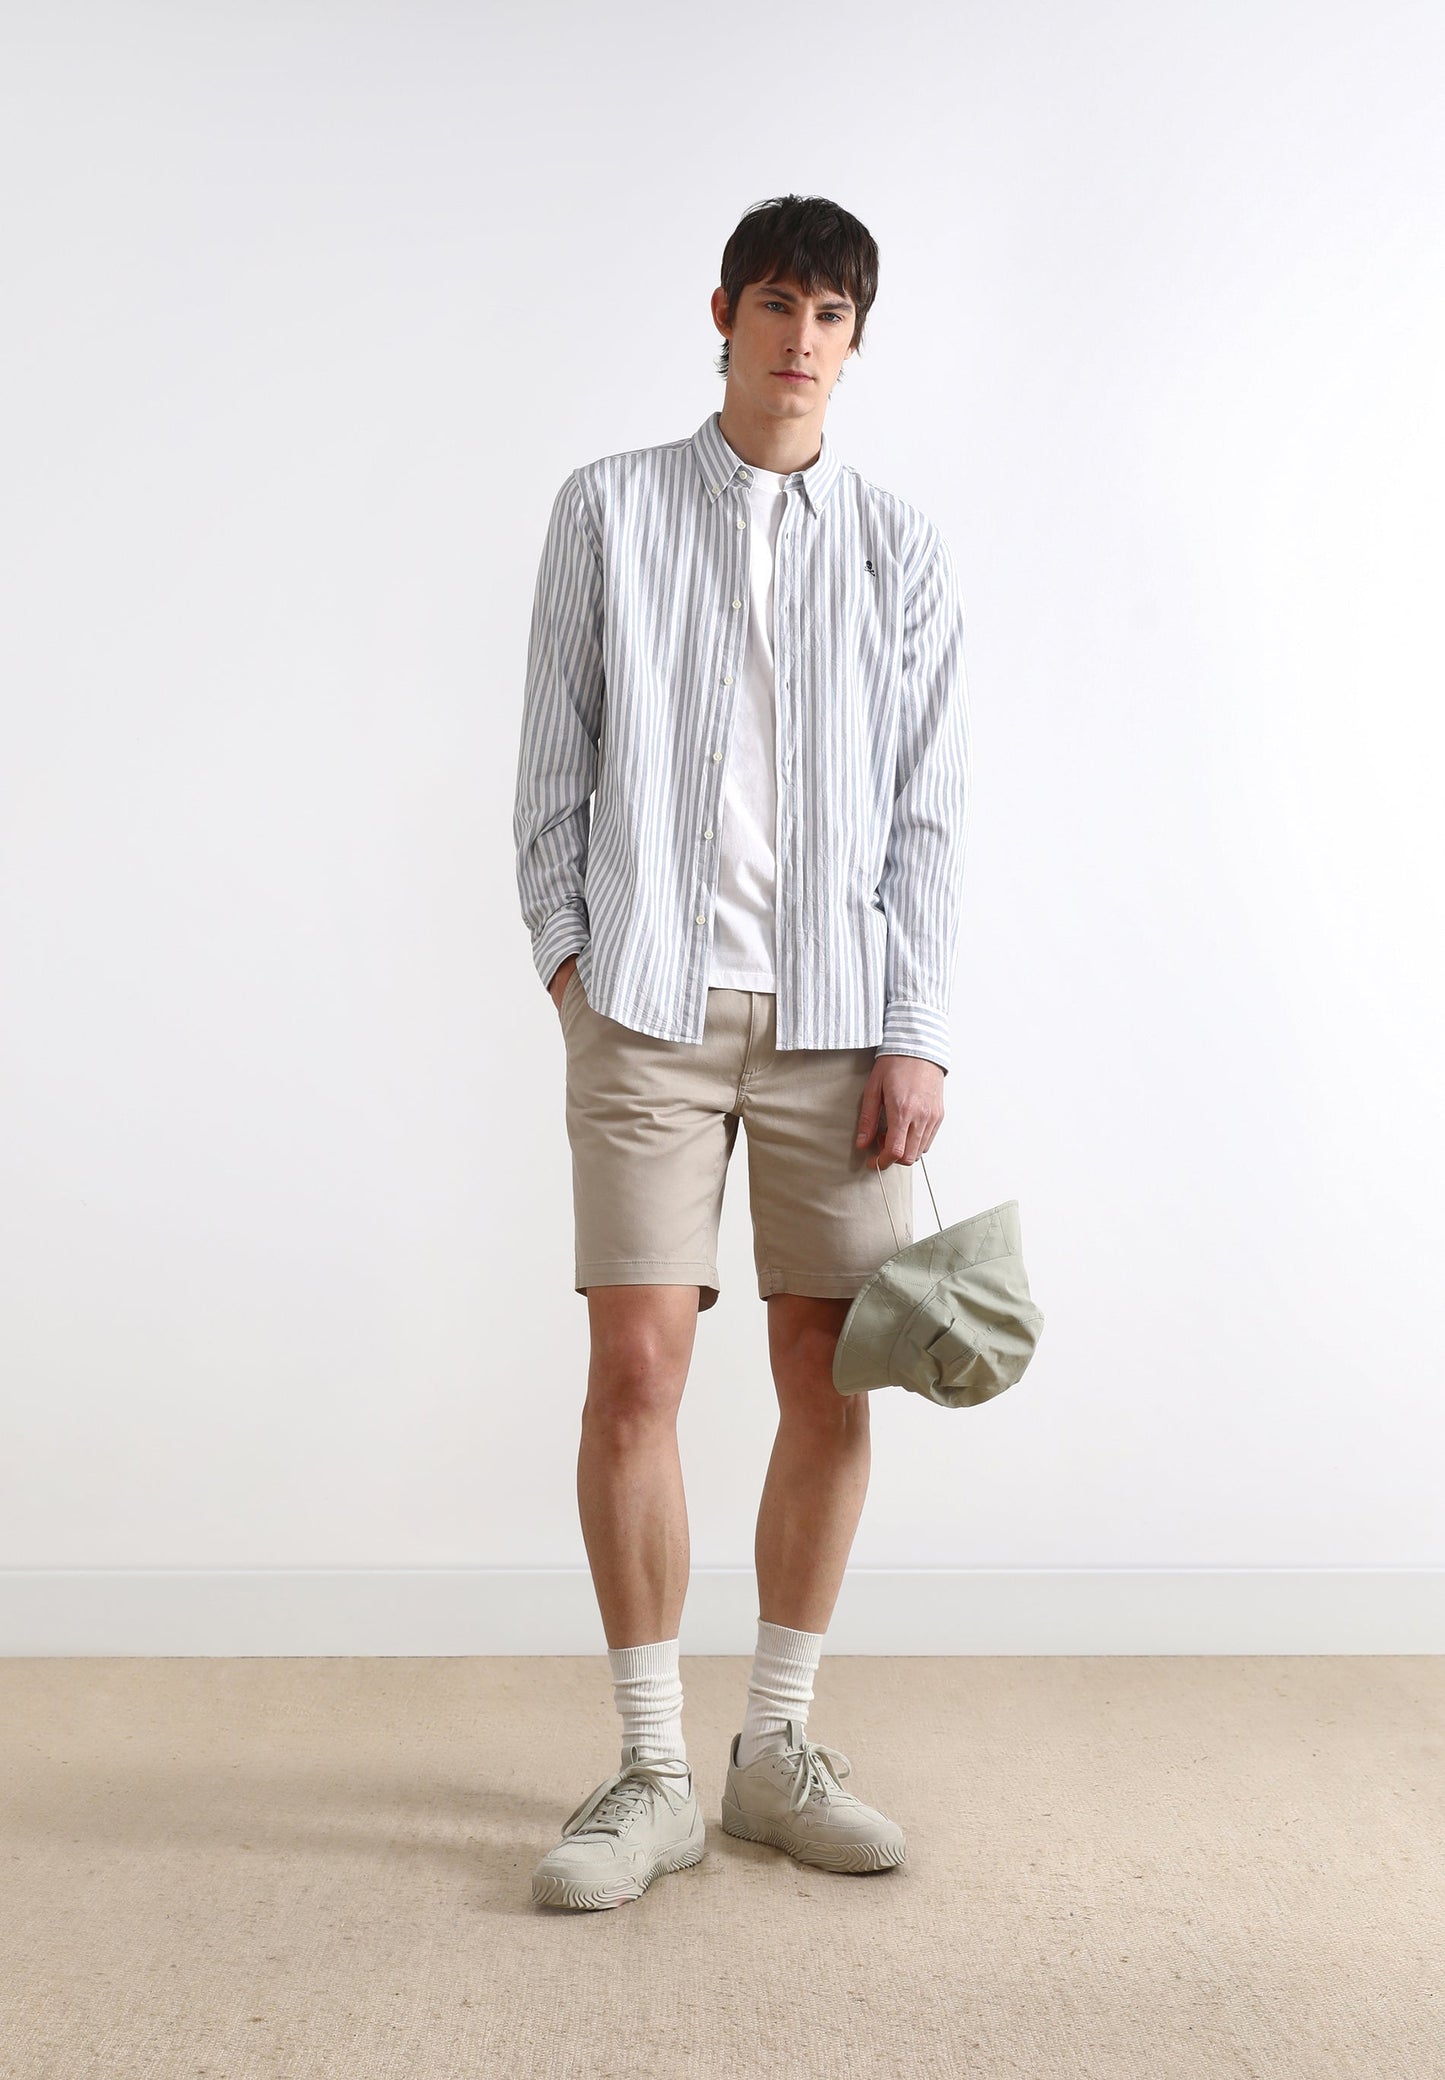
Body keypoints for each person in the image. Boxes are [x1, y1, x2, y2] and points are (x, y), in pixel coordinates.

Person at [512, 193, 971, 1910]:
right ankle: (649, 1770)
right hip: (644, 1002)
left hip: (839, 1019)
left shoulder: (898, 546)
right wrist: (572, 964)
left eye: (830, 315)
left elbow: (928, 815)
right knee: (634, 1374)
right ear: (723, 313)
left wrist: (915, 1033)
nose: (800, 338)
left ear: (856, 341)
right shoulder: (609, 508)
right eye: (777, 303)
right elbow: (551, 758)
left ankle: (773, 1751)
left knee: (827, 1378)